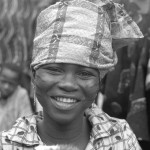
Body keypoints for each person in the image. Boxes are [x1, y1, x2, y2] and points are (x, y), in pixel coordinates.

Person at [0, 0, 143, 149]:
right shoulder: (8, 145)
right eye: (54, 70)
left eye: (85, 73)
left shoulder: (121, 139)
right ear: (34, 76)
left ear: (99, 82)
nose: (68, 84)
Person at [0, 63, 33, 132]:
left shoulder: (21, 94)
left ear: (17, 84)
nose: (6, 87)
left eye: (11, 83)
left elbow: (26, 123)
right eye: (3, 81)